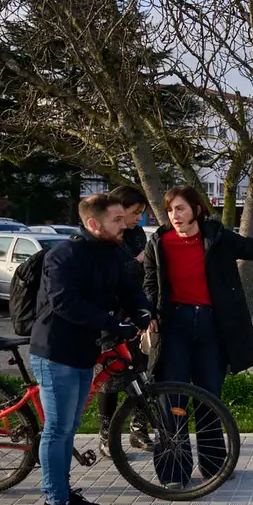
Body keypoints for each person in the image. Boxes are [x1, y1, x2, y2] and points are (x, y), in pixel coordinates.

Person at [143, 186, 253, 487]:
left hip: (211, 328)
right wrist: (148, 313)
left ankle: (214, 466)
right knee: (172, 400)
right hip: (174, 328)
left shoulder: (218, 238)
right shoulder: (159, 244)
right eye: (170, 210)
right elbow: (150, 284)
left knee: (209, 397)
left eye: (181, 208)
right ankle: (174, 472)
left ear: (197, 210)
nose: (175, 215)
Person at [31, 194, 152, 505]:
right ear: (94, 223)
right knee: (57, 429)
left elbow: (128, 288)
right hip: (56, 352)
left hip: (83, 351)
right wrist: (113, 323)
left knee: (68, 427)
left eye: (124, 219)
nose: (125, 225)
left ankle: (64, 494)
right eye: (117, 220)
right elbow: (64, 303)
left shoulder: (110, 253)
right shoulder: (64, 255)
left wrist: (143, 311)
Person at [96, 184, 153, 457]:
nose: (138, 219)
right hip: (109, 318)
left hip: (134, 315)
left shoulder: (136, 233)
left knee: (142, 373)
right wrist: (140, 259)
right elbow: (114, 273)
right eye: (135, 212)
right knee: (110, 378)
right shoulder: (106, 236)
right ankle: (106, 435)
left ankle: (138, 429)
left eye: (141, 213)